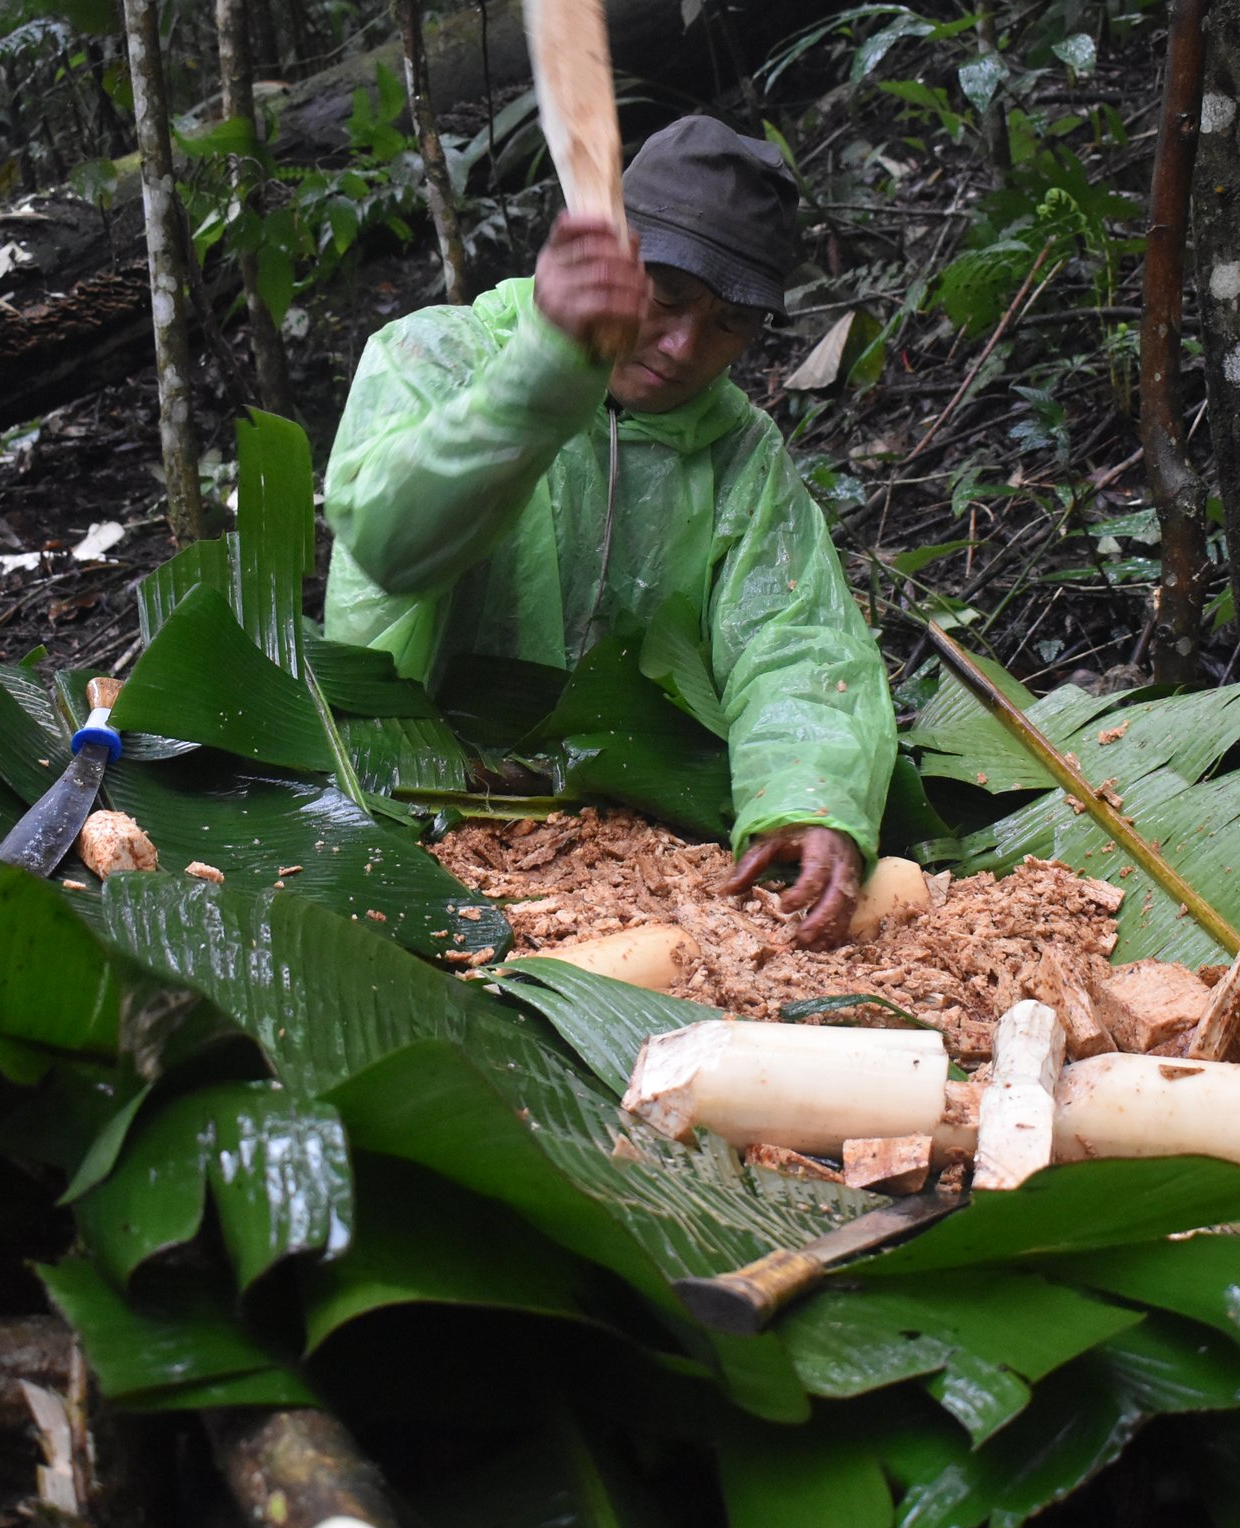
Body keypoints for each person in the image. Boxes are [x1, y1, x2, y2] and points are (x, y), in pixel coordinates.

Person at [322, 115, 893, 948]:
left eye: (729, 323)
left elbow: (794, 637)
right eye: (666, 297)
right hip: (407, 804)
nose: (685, 344)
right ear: (614, 264)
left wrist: (811, 797)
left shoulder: (736, 449)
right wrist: (547, 373)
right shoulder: (438, 354)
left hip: (611, 829)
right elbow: (390, 543)